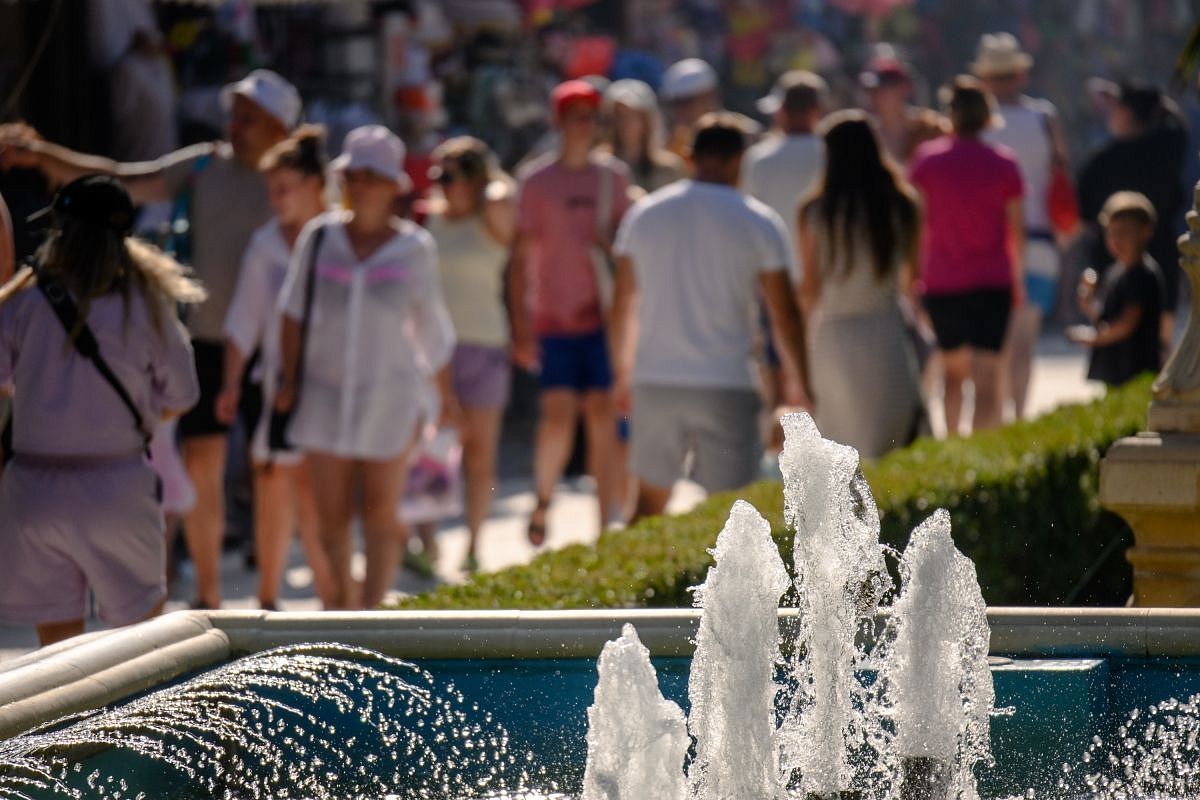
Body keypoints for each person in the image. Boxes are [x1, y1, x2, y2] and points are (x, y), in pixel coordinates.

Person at [0, 69, 302, 610]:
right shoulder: (205, 165)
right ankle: (210, 596)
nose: (235, 125)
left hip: (283, 348)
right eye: (234, 112)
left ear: (280, 127)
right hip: (210, 340)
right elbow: (122, 178)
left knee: (275, 472)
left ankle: (268, 596)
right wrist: (43, 154)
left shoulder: (298, 181)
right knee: (205, 464)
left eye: (249, 118)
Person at [0, 175, 202, 645]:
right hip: (117, 485)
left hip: (34, 490)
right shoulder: (147, 305)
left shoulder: (26, 301)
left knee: (59, 657)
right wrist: (140, 420)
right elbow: (184, 393)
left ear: (60, 232)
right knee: (141, 650)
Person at [275, 125, 456, 610]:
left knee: (380, 511)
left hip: (389, 398)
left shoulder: (414, 248)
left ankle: (373, 610)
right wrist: (288, 380)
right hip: (323, 394)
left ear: (393, 185)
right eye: (354, 174)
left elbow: (433, 330)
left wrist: (446, 400)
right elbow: (291, 313)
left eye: (373, 176)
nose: (362, 185)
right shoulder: (318, 238)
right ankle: (341, 603)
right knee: (330, 515)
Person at [610, 113, 811, 522]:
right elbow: (784, 314)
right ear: (740, 160)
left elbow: (622, 305)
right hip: (727, 383)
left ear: (688, 157)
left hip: (655, 379)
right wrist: (802, 387)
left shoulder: (645, 215)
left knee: (647, 505)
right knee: (735, 518)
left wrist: (623, 374)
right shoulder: (759, 220)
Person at [214, 126, 336, 610]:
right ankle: (268, 596)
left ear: (314, 185)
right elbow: (244, 321)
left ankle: (336, 600)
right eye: (272, 190)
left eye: (285, 188)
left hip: (335, 389)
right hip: (280, 389)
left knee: (318, 493)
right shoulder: (266, 244)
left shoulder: (344, 236)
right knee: (275, 486)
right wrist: (229, 383)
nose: (277, 199)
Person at [509, 81, 632, 543]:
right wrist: (520, 325)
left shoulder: (613, 178)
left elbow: (628, 249)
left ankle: (606, 526)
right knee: (558, 414)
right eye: (575, 114)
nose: (583, 123)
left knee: (604, 415)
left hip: (604, 317)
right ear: (558, 122)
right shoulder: (536, 182)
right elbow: (520, 258)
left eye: (590, 115)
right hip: (554, 317)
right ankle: (543, 502)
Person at [797, 111, 923, 459]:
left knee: (838, 456)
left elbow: (809, 288)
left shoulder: (815, 211)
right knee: (888, 450)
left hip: (834, 337)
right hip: (886, 331)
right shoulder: (901, 204)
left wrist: (797, 356)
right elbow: (910, 280)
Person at [908, 76, 1024, 435]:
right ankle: (981, 457)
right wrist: (1017, 281)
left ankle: (955, 448)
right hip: (993, 279)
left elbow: (917, 227)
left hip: (943, 281)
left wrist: (912, 277)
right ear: (988, 116)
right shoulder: (1004, 163)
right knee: (988, 375)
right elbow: (1015, 233)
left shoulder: (928, 162)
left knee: (953, 374)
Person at [424, 136, 517, 573]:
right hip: (434, 351)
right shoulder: (431, 222)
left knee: (479, 454)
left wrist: (483, 180)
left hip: (485, 345)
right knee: (427, 451)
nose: (444, 184)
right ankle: (425, 540)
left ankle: (475, 542)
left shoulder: (492, 216)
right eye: (438, 176)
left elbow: (504, 195)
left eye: (453, 175)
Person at [973, 33, 1072, 420]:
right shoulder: (1045, 119)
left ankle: (998, 421)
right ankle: (1019, 414)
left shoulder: (975, 126)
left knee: (994, 343)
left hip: (991, 246)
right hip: (1040, 240)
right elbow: (1062, 175)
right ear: (1021, 74)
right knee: (1024, 340)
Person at [1077, 79, 1189, 349]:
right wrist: (1154, 102)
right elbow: (1180, 126)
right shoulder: (1167, 147)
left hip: (1111, 258)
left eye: (1115, 108)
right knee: (1161, 340)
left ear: (1127, 113)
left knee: (1115, 336)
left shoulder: (1102, 161)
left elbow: (1085, 214)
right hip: (1161, 248)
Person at [1068, 191, 1165, 387]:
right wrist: (1086, 301)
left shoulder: (1141, 273)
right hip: (1116, 371)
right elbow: (1107, 317)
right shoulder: (1116, 272)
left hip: (1136, 371)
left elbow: (1126, 323)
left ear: (1145, 232)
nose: (1116, 240)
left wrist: (1093, 338)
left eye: (1123, 233)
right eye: (1111, 233)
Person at [742, 69, 828, 266]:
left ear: (781, 111)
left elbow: (747, 224)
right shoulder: (834, 155)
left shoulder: (758, 158)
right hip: (822, 279)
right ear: (818, 109)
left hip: (773, 275)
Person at [602, 79, 687, 194]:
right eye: (618, 115)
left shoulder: (669, 169)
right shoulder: (600, 167)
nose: (623, 123)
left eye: (631, 115)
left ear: (647, 120)